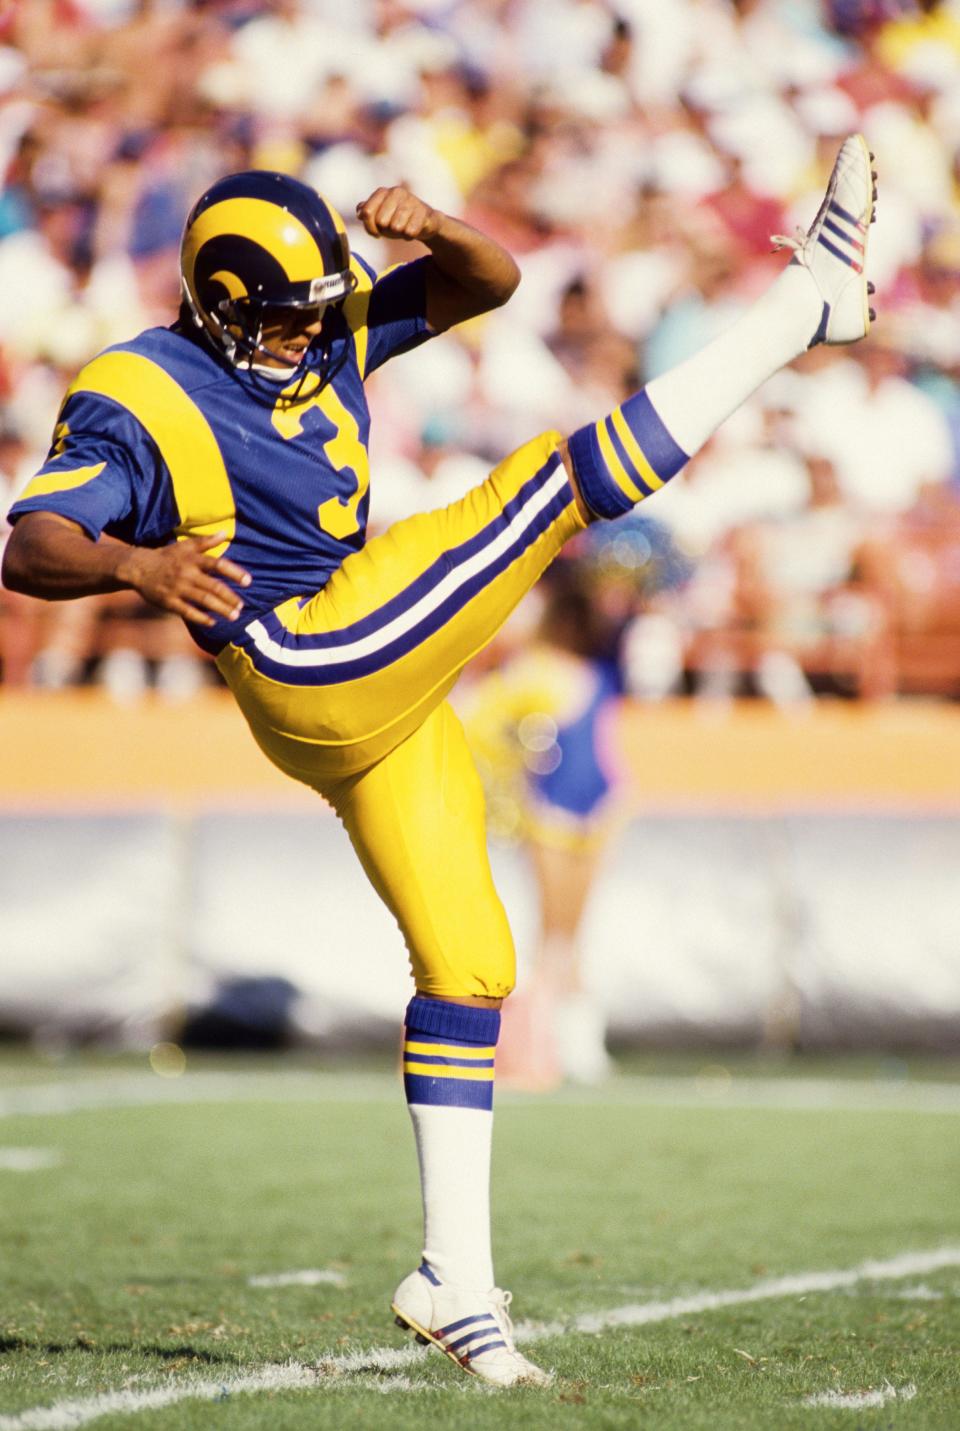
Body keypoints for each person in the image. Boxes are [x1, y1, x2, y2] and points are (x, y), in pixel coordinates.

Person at [1, 138, 877, 1388]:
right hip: (307, 654)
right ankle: (804, 306)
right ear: (225, 308)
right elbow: (30, 544)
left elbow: (492, 283)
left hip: (378, 683)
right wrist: (137, 565)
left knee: (472, 961)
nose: (317, 335)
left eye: (322, 312)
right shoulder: (141, 389)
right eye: (293, 319)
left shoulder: (320, 323)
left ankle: (453, 1283)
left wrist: (438, 229)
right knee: (551, 485)